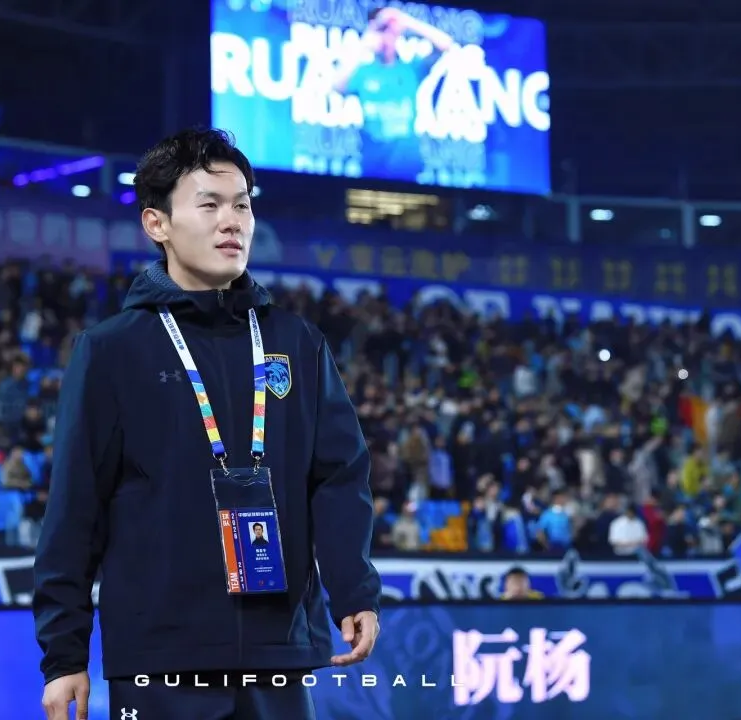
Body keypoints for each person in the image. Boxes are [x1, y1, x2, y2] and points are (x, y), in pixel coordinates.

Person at [34, 127, 381, 720]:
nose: (232, 222)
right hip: (160, 657)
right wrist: (64, 655)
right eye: (210, 205)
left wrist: (354, 589)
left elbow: (338, 478)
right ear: (157, 224)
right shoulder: (114, 350)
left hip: (277, 650)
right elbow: (75, 506)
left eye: (242, 205)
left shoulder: (297, 344)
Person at [332, 7, 454, 180]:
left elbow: (445, 43)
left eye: (388, 31)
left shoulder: (411, 69)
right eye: (381, 31)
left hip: (407, 169)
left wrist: (406, 21)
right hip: (372, 170)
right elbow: (337, 86)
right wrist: (366, 40)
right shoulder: (364, 72)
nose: (385, 37)